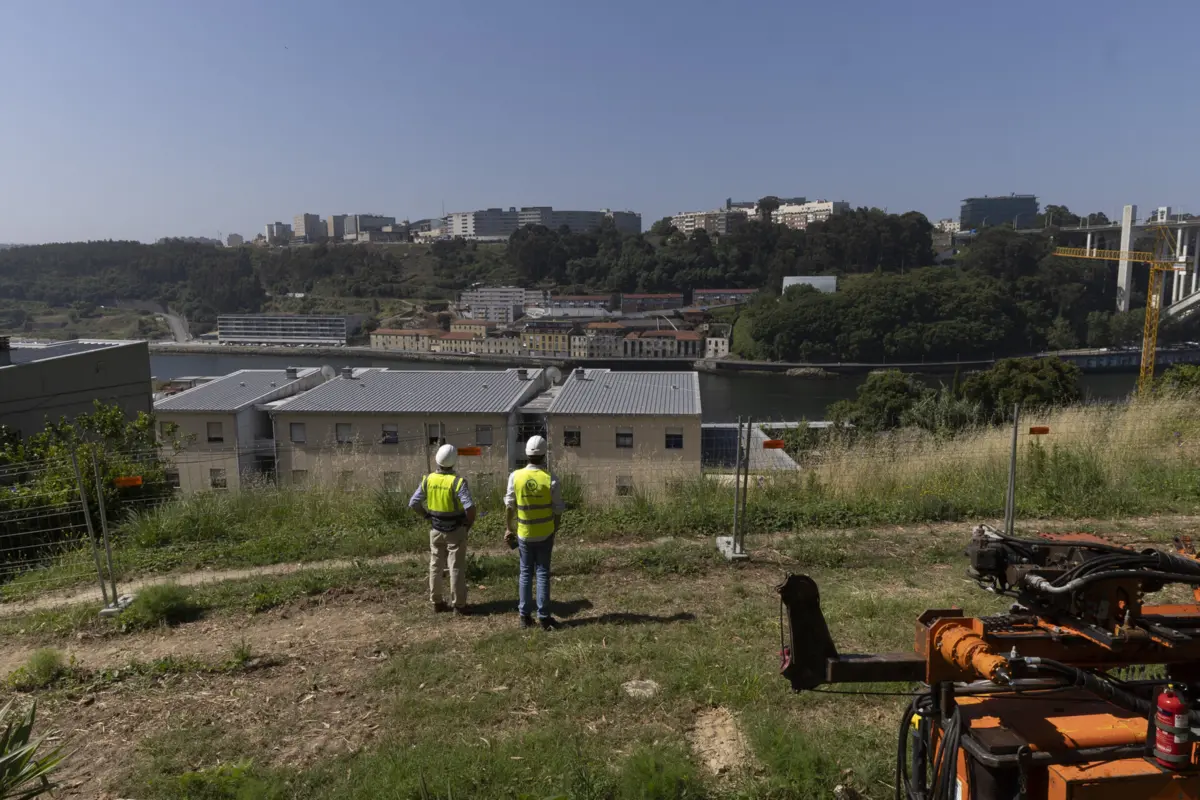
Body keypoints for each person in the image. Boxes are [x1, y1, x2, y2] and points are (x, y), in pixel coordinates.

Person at [505, 435, 565, 630]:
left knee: (525, 573)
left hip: (524, 533)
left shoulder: (516, 476)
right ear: (543, 455)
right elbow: (558, 510)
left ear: (527, 454)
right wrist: (554, 528)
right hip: (546, 533)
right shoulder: (550, 479)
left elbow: (509, 505)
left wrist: (508, 527)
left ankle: (524, 616)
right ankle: (544, 617)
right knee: (542, 573)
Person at [409, 443, 476, 615]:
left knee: (435, 565)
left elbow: (414, 503)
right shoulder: (458, 482)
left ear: (437, 460)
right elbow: (470, 508)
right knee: (456, 567)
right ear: (454, 462)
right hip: (455, 530)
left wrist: (426, 516)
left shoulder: (428, 479)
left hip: (436, 529)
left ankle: (437, 602)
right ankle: (459, 605)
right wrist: (467, 525)